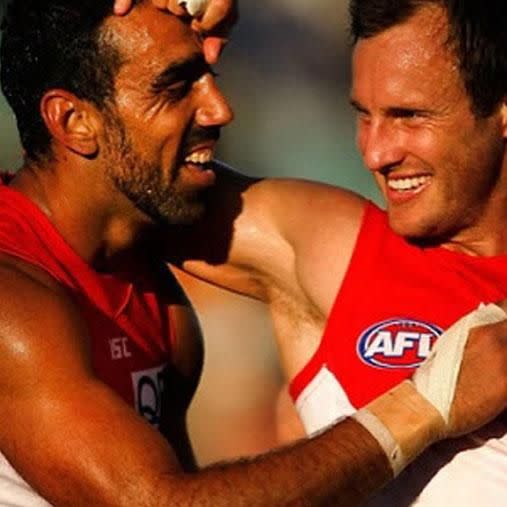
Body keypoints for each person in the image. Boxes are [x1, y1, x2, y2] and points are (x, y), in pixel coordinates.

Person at [1, 1, 504, 505]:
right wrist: (424, 405)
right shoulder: (334, 248)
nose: (375, 153)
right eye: (364, 116)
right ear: (70, 119)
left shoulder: (157, 305)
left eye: (409, 116)